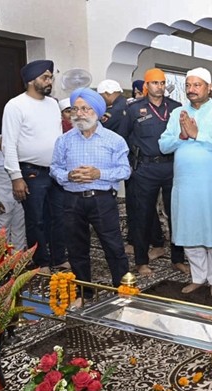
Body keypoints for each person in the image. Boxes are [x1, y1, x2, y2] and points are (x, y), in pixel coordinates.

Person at [50, 88, 130, 306]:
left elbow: (125, 171)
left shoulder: (114, 140)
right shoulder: (64, 140)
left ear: (97, 111)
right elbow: (54, 169)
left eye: (85, 108)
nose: (79, 113)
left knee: (114, 248)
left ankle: (122, 291)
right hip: (72, 201)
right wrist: (67, 176)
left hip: (102, 200)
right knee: (76, 249)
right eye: (75, 108)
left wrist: (99, 174)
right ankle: (83, 294)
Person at [159, 67, 212, 296]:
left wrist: (197, 134)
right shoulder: (176, 113)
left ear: (209, 88)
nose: (191, 89)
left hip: (211, 183)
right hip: (184, 183)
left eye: (197, 85)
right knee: (189, 230)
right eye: (188, 85)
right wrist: (181, 136)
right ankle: (199, 276)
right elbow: (163, 146)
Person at [1, 59, 68, 274]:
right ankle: (41, 263)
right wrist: (15, 176)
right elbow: (9, 143)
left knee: (59, 217)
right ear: (31, 81)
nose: (50, 81)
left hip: (56, 171)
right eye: (45, 78)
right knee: (36, 219)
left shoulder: (52, 104)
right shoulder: (15, 105)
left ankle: (59, 258)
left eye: (51, 77)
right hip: (31, 172)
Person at [118, 68, 185, 276]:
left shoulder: (176, 108)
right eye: (155, 83)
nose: (160, 87)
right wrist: (128, 163)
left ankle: (177, 258)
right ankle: (141, 260)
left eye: (163, 83)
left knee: (176, 215)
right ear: (146, 86)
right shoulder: (134, 109)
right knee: (142, 215)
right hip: (145, 168)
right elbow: (122, 138)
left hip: (172, 167)